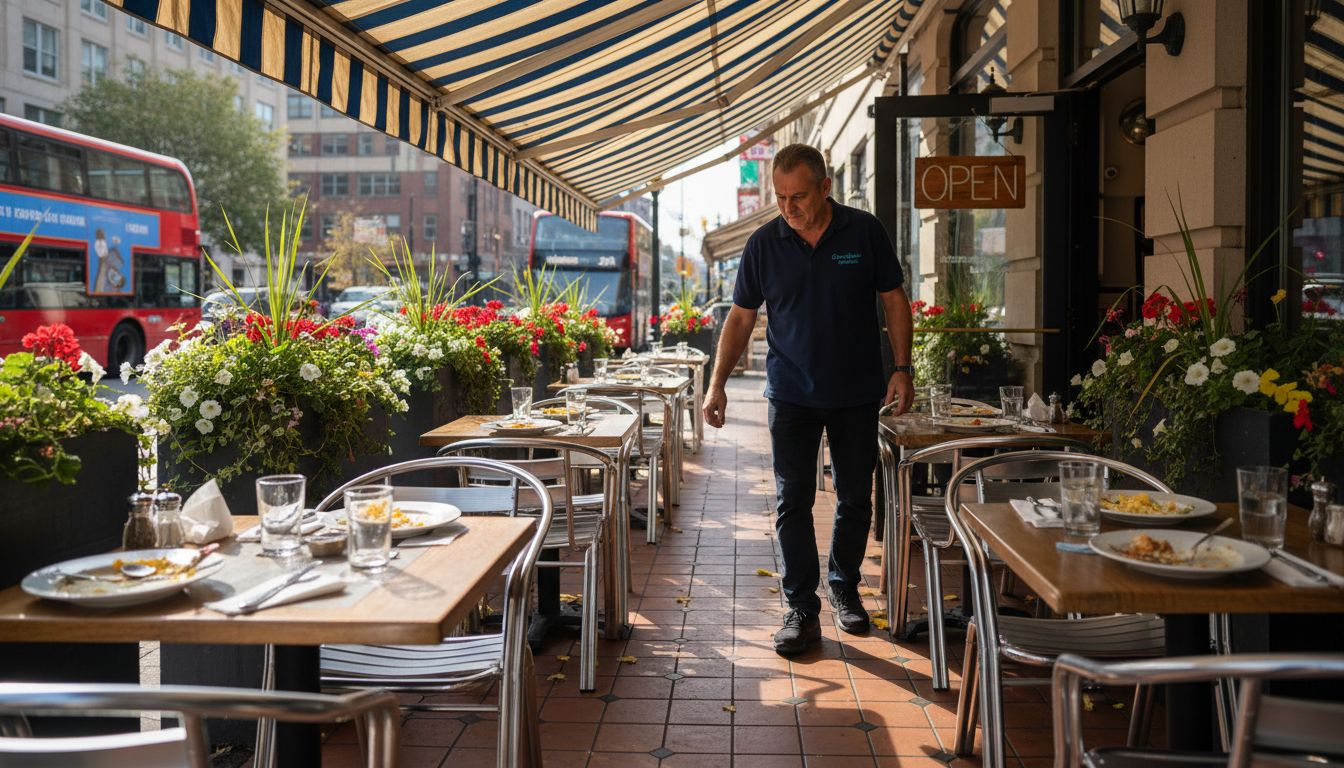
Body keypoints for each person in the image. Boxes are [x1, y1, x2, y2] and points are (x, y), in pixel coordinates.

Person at [703, 143, 915, 656]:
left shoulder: (864, 231)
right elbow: (740, 317)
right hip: (791, 394)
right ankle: (801, 606)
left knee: (853, 496)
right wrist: (716, 383)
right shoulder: (764, 244)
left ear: (825, 187)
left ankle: (844, 587)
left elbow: (893, 299)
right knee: (791, 500)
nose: (788, 207)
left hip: (857, 390)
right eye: (780, 197)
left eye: (798, 196)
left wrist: (904, 368)